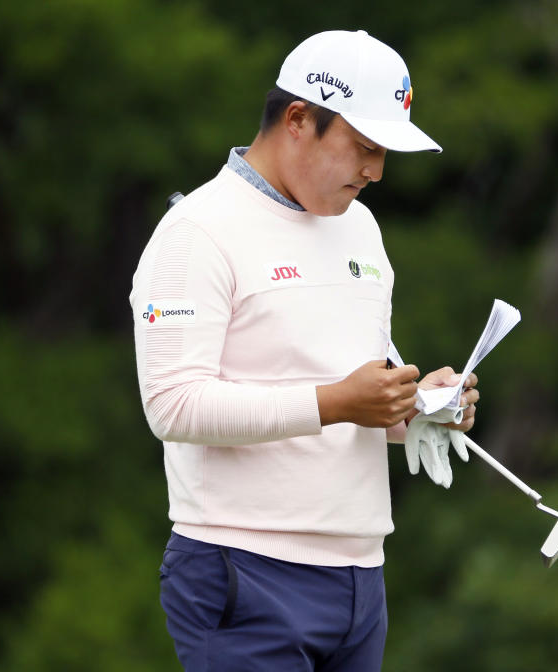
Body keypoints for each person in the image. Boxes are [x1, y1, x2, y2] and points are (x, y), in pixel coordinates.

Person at [129, 29, 479, 672]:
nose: (375, 171)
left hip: (360, 576)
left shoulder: (362, 228)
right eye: (364, 148)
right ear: (298, 119)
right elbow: (173, 407)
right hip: (242, 568)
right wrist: (340, 402)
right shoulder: (195, 233)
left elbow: (345, 396)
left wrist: (415, 411)